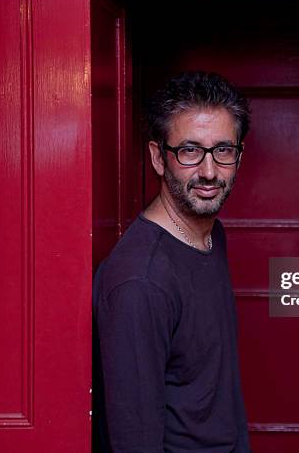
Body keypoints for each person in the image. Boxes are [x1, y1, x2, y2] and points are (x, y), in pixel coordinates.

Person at [93, 71, 252, 453]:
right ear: (158, 157)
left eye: (223, 150)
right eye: (190, 151)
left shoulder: (211, 234)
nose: (210, 172)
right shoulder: (140, 282)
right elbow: (134, 440)